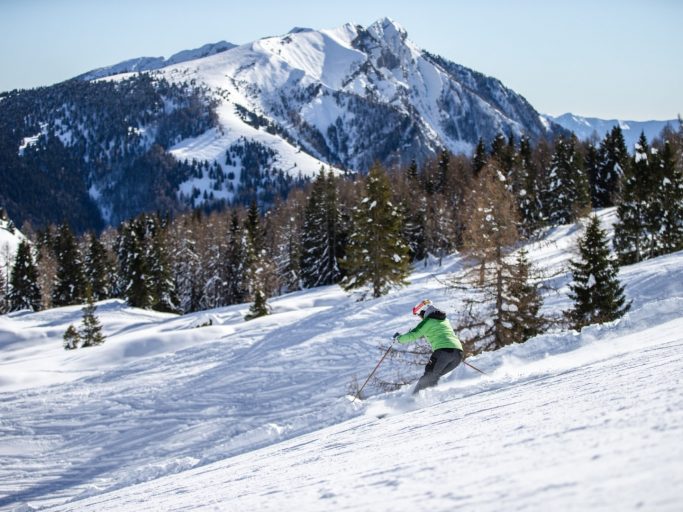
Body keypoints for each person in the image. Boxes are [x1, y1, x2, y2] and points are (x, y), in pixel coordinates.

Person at [393, 299, 463, 394]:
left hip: (443, 352)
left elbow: (414, 334)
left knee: (429, 376)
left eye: (422, 316)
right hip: (457, 355)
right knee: (433, 377)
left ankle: (413, 401)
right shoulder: (445, 320)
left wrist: (399, 339)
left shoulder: (428, 321)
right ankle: (431, 398)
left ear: (426, 315)